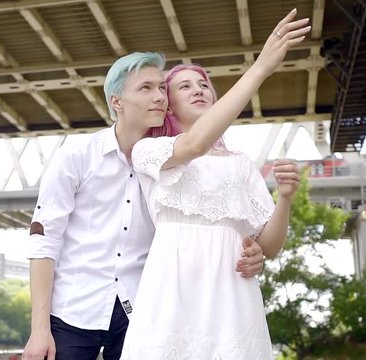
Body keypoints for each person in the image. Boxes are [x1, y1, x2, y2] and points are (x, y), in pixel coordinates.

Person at [22, 52, 266, 360]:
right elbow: (44, 241)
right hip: (72, 311)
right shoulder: (77, 155)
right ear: (117, 102)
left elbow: (201, 229)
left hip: (140, 313)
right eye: (146, 88)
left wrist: (250, 250)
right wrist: (39, 328)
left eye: (162, 88)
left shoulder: (175, 162)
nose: (159, 97)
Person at [119, 9, 308, 359]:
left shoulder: (240, 164)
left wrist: (285, 198)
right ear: (168, 105)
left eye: (204, 84)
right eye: (184, 86)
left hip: (232, 292)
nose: (199, 89)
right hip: (173, 289)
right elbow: (194, 145)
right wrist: (261, 66)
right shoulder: (149, 151)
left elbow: (268, 245)